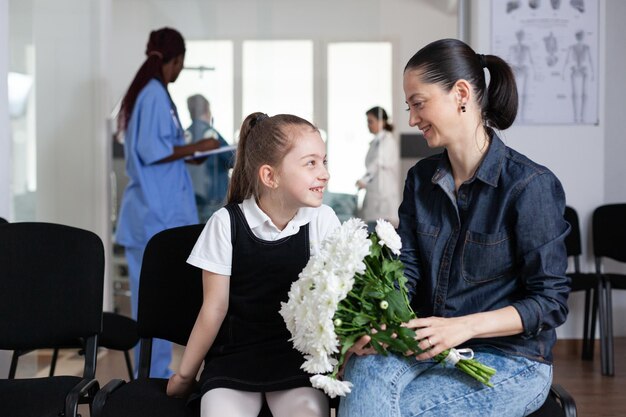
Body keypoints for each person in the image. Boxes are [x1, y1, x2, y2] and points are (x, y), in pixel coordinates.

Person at [339, 38, 570, 416]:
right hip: (430, 344)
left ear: (460, 94)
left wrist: (463, 327)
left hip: (511, 359)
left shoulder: (529, 186)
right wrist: (378, 322)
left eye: (418, 102)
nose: (412, 118)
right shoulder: (420, 179)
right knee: (362, 369)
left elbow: (549, 302)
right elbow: (408, 269)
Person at [166, 112, 341, 417]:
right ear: (270, 176)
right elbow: (213, 309)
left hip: (296, 360)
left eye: (324, 161)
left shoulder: (322, 220)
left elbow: (337, 302)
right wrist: (184, 376)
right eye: (311, 163)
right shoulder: (225, 224)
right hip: (234, 360)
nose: (324, 173)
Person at [115, 27, 219, 378]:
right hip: (151, 215)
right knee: (153, 305)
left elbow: (160, 150)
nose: (178, 72)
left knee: (158, 301)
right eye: (180, 66)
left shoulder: (153, 93)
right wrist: (197, 147)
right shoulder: (154, 94)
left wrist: (189, 156)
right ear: (175, 61)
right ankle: (151, 380)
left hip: (156, 213)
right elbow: (151, 150)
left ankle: (155, 376)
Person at [185, 94, 235, 222]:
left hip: (190, 200)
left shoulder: (185, 135)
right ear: (207, 110)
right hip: (212, 200)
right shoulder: (212, 135)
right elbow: (233, 160)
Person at [356, 106, 400, 228]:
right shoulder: (376, 142)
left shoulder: (387, 141)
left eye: (371, 121)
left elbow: (376, 164)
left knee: (381, 238)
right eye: (367, 122)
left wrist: (363, 180)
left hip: (383, 199)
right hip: (375, 196)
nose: (368, 125)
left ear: (382, 121)